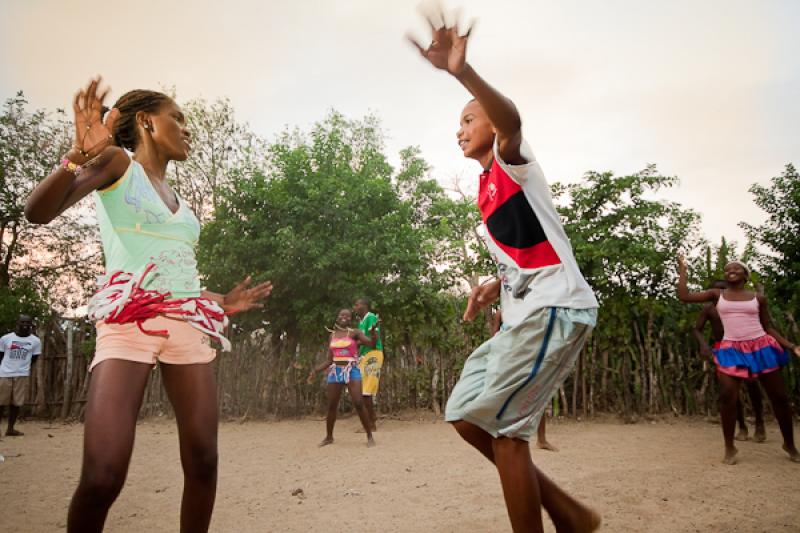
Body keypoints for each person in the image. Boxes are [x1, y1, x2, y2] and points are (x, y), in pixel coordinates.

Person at [25, 78, 272, 532]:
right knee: (102, 476)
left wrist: (223, 301)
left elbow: (177, 281)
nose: (186, 128)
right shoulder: (118, 165)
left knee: (204, 461)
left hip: (185, 328)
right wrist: (75, 159)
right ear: (145, 121)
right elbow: (37, 213)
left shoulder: (183, 204)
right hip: (127, 326)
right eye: (177, 118)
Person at [408, 11, 601, 532]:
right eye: (459, 125)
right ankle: (567, 513)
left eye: (468, 120)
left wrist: (461, 73)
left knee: (508, 433)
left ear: (492, 125)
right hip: (524, 314)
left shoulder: (514, 160)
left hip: (555, 308)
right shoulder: (485, 187)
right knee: (467, 416)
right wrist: (498, 282)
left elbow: (512, 120)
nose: (460, 131)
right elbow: (527, 251)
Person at [678, 255, 800, 464]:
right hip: (731, 349)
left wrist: (791, 345)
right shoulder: (717, 294)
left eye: (736, 268)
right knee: (727, 395)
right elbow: (685, 296)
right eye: (727, 269)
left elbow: (768, 327)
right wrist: (683, 270)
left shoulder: (758, 298)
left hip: (760, 347)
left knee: (779, 397)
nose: (730, 270)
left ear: (745, 274)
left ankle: (789, 444)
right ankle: (729, 447)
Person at [693, 280, 765, 442]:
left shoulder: (742, 307)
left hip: (745, 347)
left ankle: (760, 423)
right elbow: (697, 329)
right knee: (731, 389)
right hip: (724, 349)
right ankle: (742, 426)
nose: (719, 294)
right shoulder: (709, 310)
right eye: (716, 291)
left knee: (753, 383)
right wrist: (704, 345)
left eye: (723, 290)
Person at [308, 308, 379, 447]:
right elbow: (330, 359)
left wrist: (373, 334)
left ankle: (369, 436)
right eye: (342, 315)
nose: (344, 317)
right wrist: (315, 370)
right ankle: (329, 437)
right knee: (332, 405)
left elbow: (371, 344)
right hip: (336, 371)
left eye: (347, 315)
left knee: (359, 403)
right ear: (338, 317)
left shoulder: (355, 333)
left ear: (351, 319)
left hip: (352, 370)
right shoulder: (332, 336)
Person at [491, 309, 557, 452]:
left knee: (537, 396)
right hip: (509, 359)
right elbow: (495, 338)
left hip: (528, 358)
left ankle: (542, 439)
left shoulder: (530, 310)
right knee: (505, 399)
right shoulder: (501, 313)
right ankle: (500, 434)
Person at [0, 315, 42, 437]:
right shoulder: (5, 339)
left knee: (16, 403)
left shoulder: (35, 341)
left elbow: (34, 358)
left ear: (31, 324)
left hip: (22, 374)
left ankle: (10, 429)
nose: (25, 325)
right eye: (22, 322)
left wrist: (23, 368)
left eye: (27, 322)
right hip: (4, 373)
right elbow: (0, 356)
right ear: (17, 323)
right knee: (1, 402)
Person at [354, 297, 383, 431]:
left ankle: (371, 424)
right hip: (365, 355)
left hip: (373, 354)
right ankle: (371, 420)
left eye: (357, 305)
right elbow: (362, 340)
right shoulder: (362, 322)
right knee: (361, 390)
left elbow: (372, 339)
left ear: (364, 305)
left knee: (365, 391)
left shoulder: (371, 317)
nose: (355, 307)